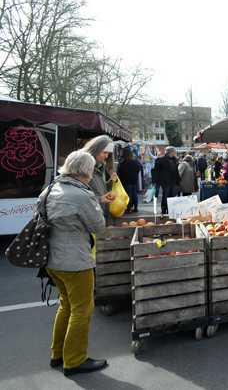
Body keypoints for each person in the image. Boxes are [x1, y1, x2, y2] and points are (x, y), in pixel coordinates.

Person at [43, 151, 111, 376]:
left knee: (66, 305)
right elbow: (98, 226)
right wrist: (98, 205)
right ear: (87, 170)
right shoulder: (82, 194)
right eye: (92, 168)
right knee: (82, 309)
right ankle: (75, 360)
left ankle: (58, 354)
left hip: (51, 258)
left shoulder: (51, 189)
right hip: (74, 260)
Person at [79, 135, 117, 216]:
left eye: (109, 153)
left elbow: (98, 189)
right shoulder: (83, 165)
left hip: (96, 212)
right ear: (96, 149)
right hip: (88, 213)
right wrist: (100, 199)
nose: (106, 156)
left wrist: (111, 181)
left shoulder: (99, 166)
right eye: (105, 152)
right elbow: (77, 195)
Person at [152, 146, 181, 215]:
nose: (175, 153)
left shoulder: (174, 160)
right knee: (165, 196)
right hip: (165, 181)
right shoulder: (161, 159)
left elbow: (176, 171)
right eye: (174, 152)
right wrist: (154, 181)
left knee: (172, 197)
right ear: (170, 152)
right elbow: (156, 170)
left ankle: (170, 211)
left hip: (173, 181)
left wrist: (178, 179)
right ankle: (164, 210)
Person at [117, 148, 142, 214]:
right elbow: (139, 168)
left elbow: (122, 171)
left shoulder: (124, 162)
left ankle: (129, 208)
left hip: (127, 180)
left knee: (128, 194)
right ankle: (136, 207)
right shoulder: (134, 160)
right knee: (134, 193)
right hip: (134, 179)